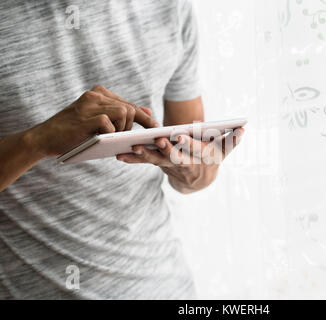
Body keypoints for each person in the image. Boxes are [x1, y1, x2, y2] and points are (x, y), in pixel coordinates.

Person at [0, 0, 244, 299]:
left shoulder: (169, 6)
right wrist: (36, 142)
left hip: (166, 288)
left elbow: (197, 174)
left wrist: (195, 170)